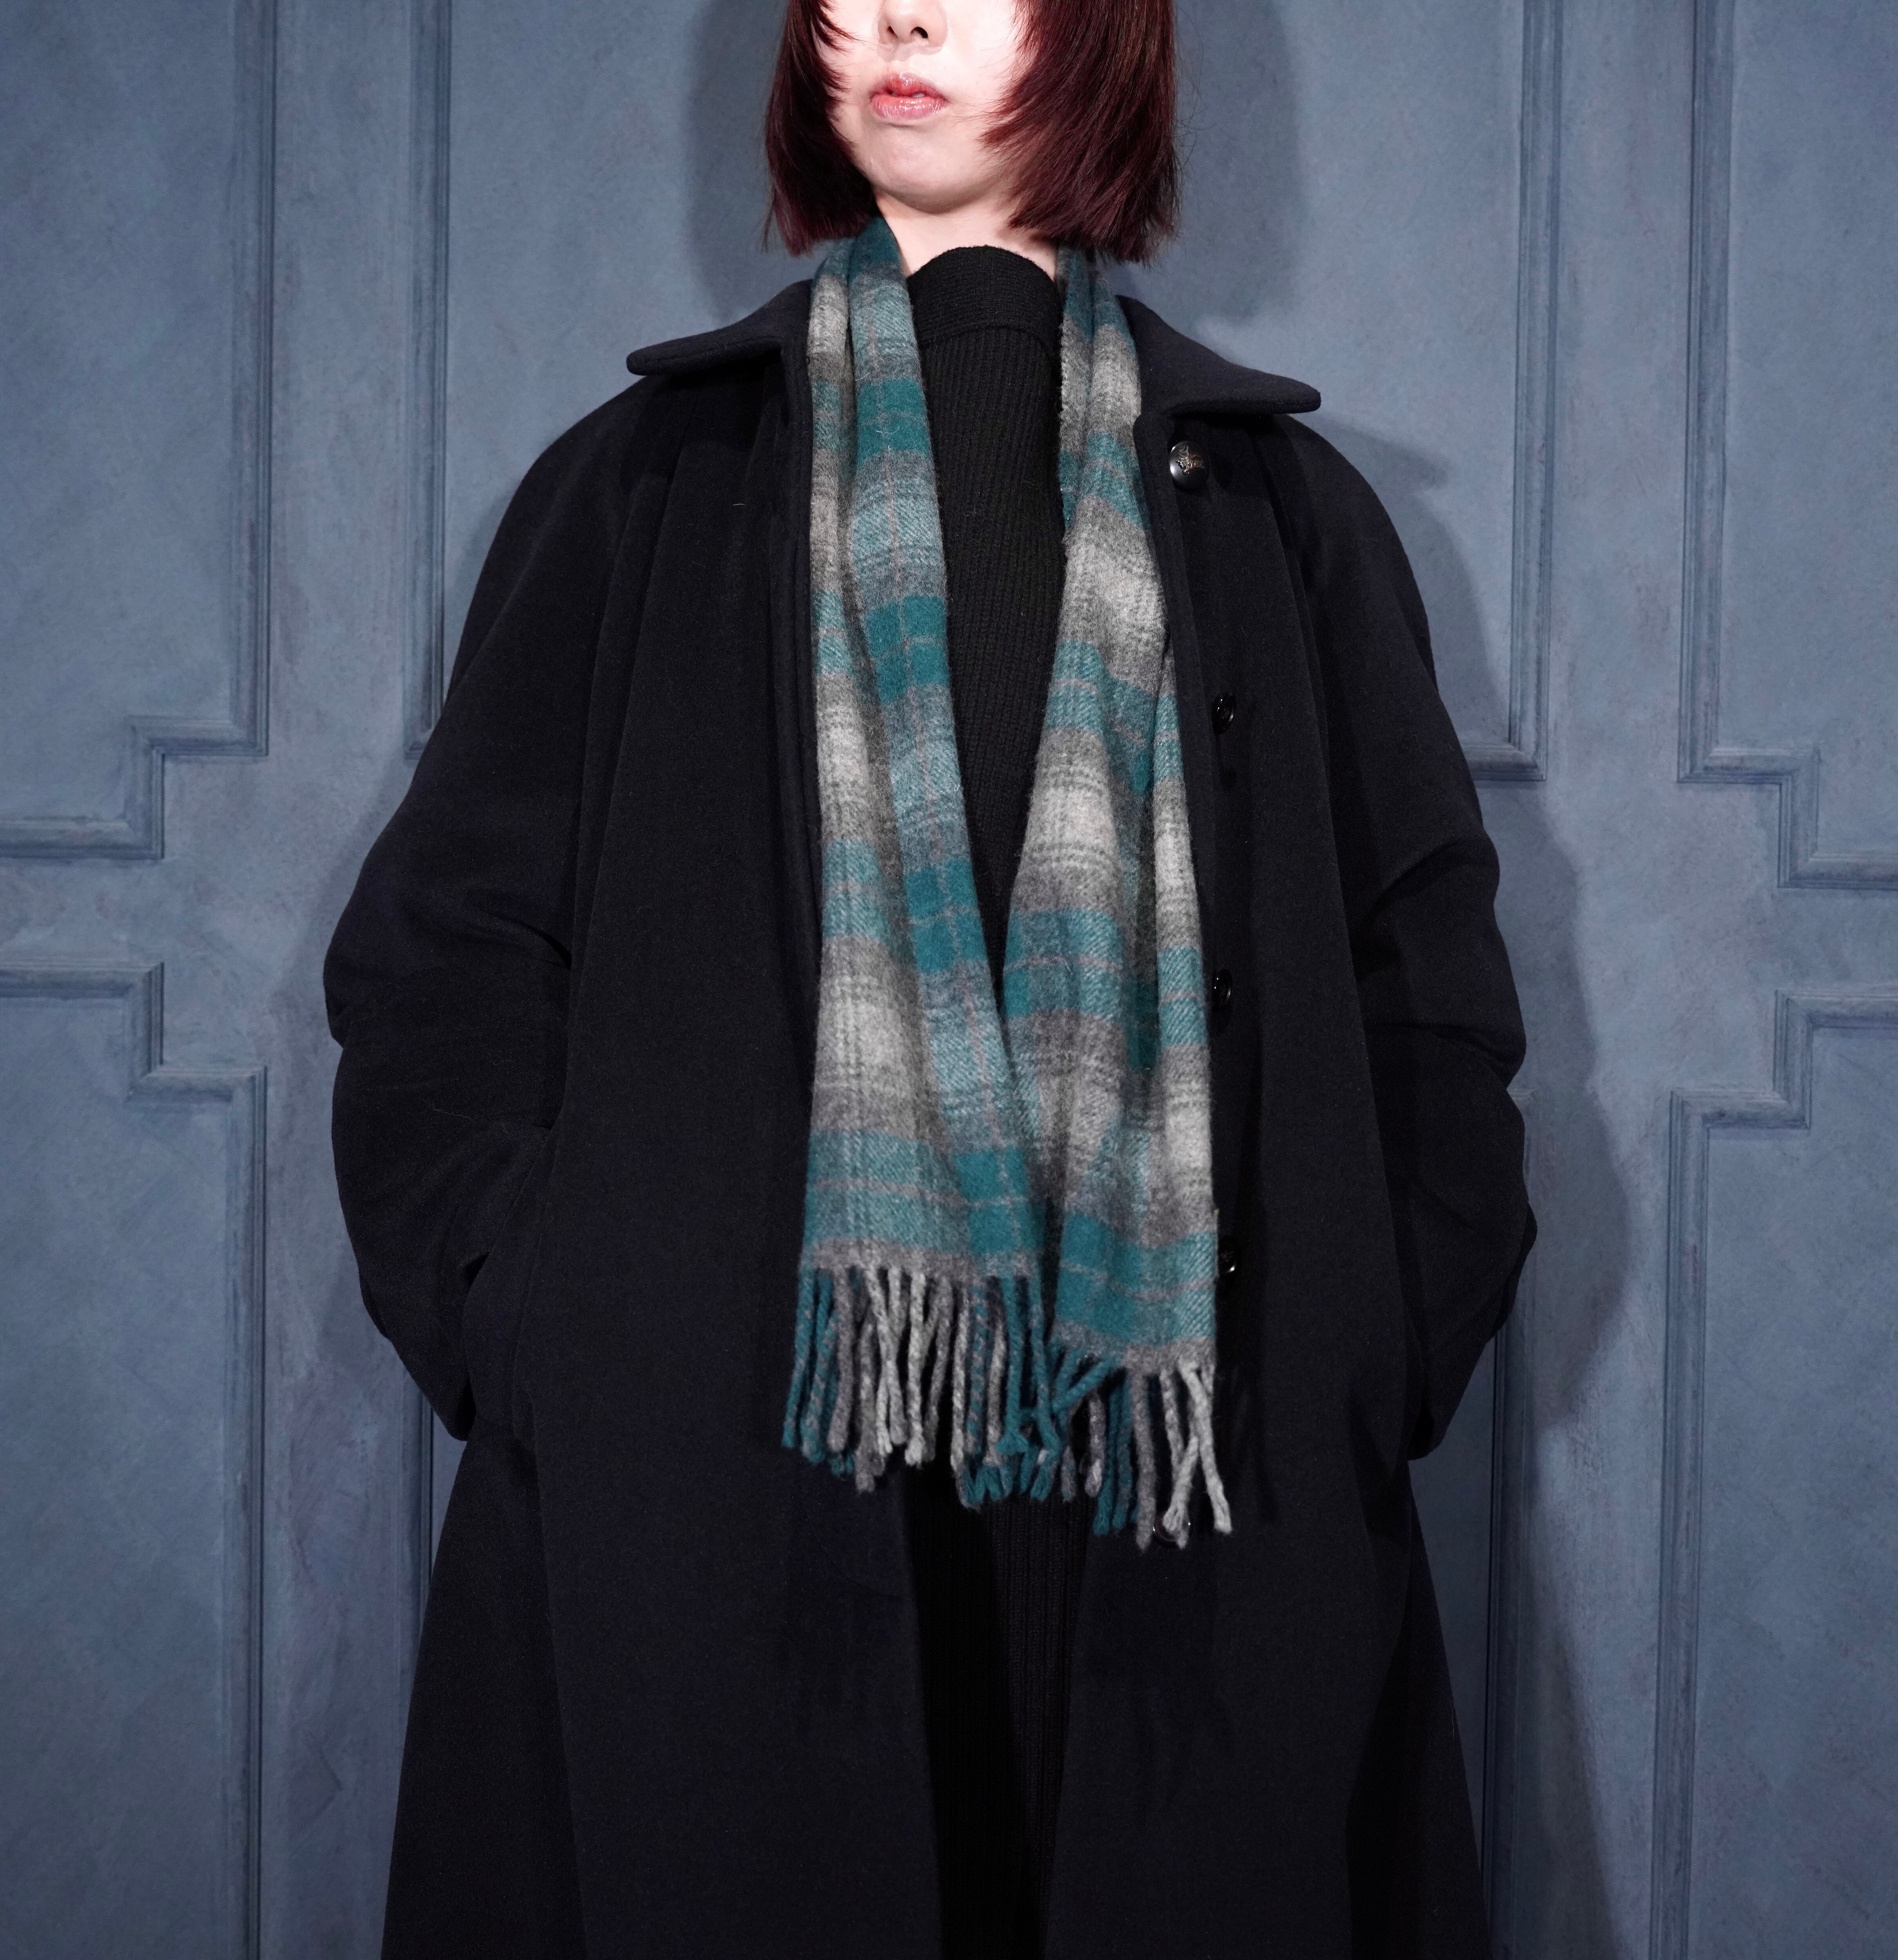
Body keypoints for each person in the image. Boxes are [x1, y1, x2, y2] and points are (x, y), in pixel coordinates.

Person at [323, 0, 1536, 1953]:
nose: (897, 16)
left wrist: (1368, 1345)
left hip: (1185, 1476)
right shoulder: (640, 488)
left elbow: (1428, 997)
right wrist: (545, 1323)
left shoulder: (1284, 518)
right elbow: (443, 968)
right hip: (724, 1470)